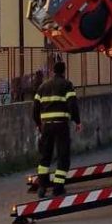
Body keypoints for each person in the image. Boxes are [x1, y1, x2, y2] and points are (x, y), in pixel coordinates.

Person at [32, 56, 81, 199]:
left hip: (46, 126)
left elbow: (35, 107)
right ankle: (58, 188)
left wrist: (38, 123)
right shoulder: (67, 85)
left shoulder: (43, 87)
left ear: (53, 71)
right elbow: (72, 104)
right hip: (61, 125)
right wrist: (77, 121)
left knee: (45, 156)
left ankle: (42, 186)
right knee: (63, 155)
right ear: (64, 71)